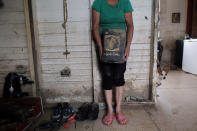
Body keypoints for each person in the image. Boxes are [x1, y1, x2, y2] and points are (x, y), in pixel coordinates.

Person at [92, 0, 134, 126]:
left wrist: (128, 46)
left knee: (118, 76)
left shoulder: (125, 2)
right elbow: (95, 27)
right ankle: (110, 111)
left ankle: (118, 110)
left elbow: (130, 25)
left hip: (121, 45)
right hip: (104, 44)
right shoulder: (98, 3)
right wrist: (100, 47)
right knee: (107, 76)